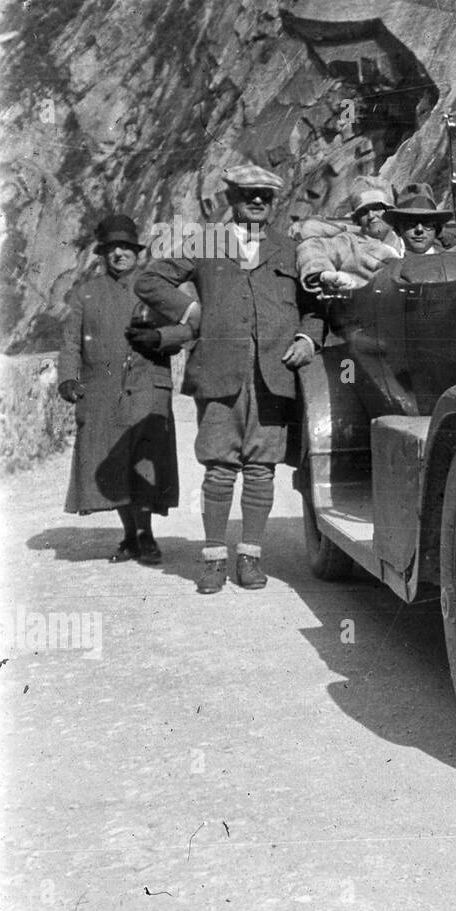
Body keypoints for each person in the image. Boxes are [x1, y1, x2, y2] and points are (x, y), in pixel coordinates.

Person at [135, 164, 324, 594]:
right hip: (219, 372)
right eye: (247, 194)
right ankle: (214, 560)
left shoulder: (290, 248)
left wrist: (307, 340)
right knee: (220, 469)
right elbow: (151, 280)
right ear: (231, 198)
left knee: (261, 470)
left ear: (274, 202)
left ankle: (250, 559)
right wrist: (190, 312)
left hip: (275, 376)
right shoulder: (207, 242)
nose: (256, 201)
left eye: (265, 195)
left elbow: (316, 308)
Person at [58, 215, 188, 565]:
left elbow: (186, 329)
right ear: (102, 254)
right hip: (102, 391)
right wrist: (68, 378)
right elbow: (71, 342)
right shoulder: (85, 293)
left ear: (136, 251)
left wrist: (160, 339)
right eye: (112, 249)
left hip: (147, 385)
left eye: (125, 247)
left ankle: (145, 535)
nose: (119, 254)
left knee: (144, 463)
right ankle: (130, 536)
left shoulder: (154, 286)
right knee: (110, 465)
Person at [294, 175, 402, 294]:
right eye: (364, 212)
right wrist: (325, 274)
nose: (371, 216)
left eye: (376, 208)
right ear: (357, 218)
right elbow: (310, 247)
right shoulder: (350, 242)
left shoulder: (408, 241)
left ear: (391, 212)